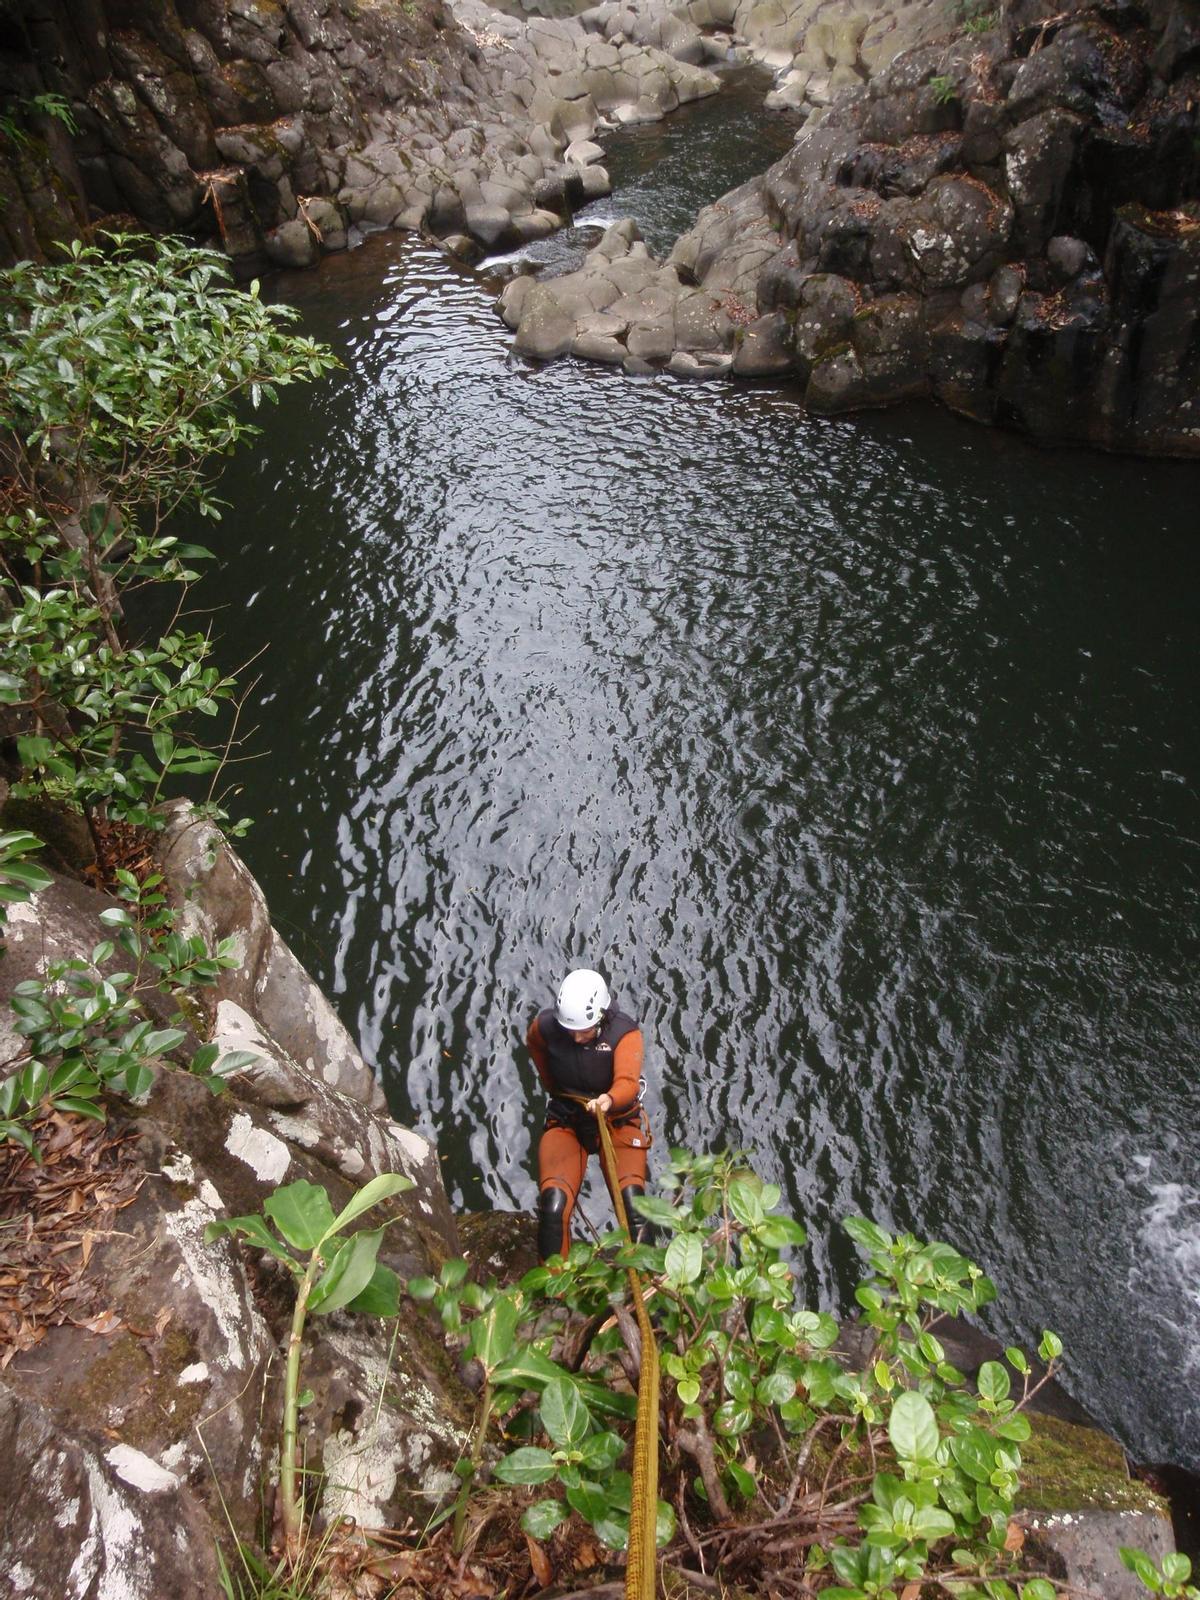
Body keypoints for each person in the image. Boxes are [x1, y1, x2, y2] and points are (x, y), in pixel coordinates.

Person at [526, 967, 653, 1263]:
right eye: (571, 1030)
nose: (577, 1037)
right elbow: (536, 1049)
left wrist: (609, 1100)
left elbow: (628, 1081)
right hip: (568, 1119)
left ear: (602, 1017)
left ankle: (649, 1285)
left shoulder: (624, 1033)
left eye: (584, 1030)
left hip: (617, 1121)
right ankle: (554, 1290)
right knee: (553, 1205)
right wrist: (554, 1087)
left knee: (633, 1205)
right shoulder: (545, 1029)